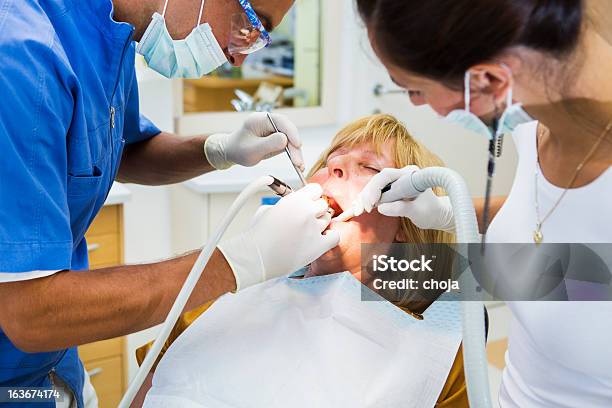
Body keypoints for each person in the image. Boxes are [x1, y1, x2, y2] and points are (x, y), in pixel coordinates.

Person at [0, 0, 339, 406]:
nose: (236, 56)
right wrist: (240, 261)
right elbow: (32, 313)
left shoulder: (112, 35)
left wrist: (218, 150)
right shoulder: (22, 56)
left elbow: (119, 149)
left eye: (370, 169)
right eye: (249, 24)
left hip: (53, 367)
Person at [353, 1, 612, 407]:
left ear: (489, 80)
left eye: (415, 89)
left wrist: (390, 268)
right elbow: (557, 234)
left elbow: (580, 278)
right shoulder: (536, 116)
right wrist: (446, 212)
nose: (417, 105)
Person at [133, 114, 471, 408]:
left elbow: (517, 271)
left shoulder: (436, 350)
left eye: (368, 167)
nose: (335, 166)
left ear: (407, 220)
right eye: (330, 161)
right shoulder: (221, 298)